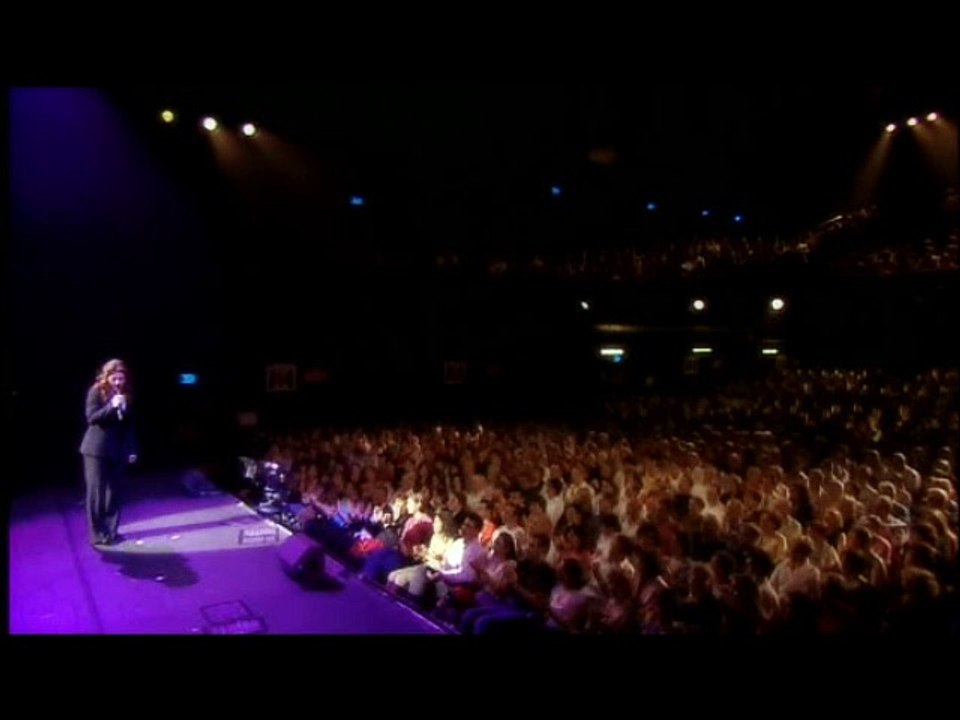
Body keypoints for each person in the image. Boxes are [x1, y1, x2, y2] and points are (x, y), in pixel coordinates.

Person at [79, 359, 138, 546]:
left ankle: (111, 531)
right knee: (96, 492)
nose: (119, 382)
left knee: (115, 492)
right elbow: (92, 418)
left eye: (121, 379)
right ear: (107, 377)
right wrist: (111, 406)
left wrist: (131, 449)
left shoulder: (125, 394)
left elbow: (128, 425)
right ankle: (97, 533)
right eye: (115, 379)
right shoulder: (96, 391)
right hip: (95, 450)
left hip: (117, 450)